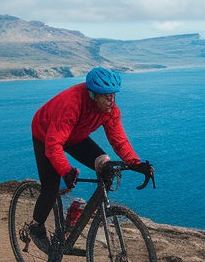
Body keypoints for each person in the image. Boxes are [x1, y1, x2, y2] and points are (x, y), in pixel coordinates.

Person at [27, 67, 151, 251]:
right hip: (46, 134)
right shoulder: (72, 104)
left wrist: (136, 163)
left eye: (113, 94)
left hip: (75, 137)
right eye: (105, 95)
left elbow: (119, 140)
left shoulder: (110, 110)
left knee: (106, 165)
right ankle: (36, 228)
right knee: (51, 187)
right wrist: (66, 171)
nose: (111, 100)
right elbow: (54, 145)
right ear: (92, 94)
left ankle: (78, 215)